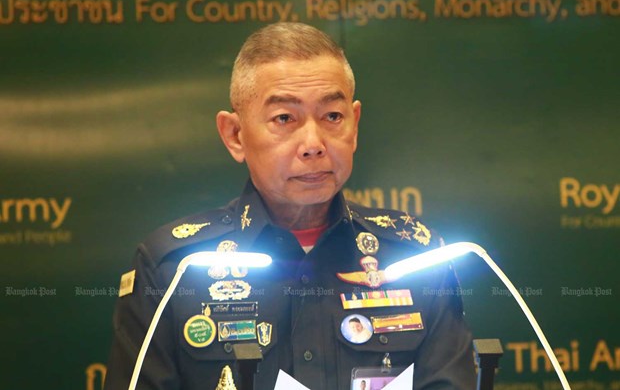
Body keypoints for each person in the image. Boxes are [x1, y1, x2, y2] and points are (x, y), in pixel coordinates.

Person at [104, 22, 475, 390]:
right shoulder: (174, 268)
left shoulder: (416, 258)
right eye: (284, 118)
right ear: (235, 135)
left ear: (355, 125)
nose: (313, 143)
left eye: (332, 116)